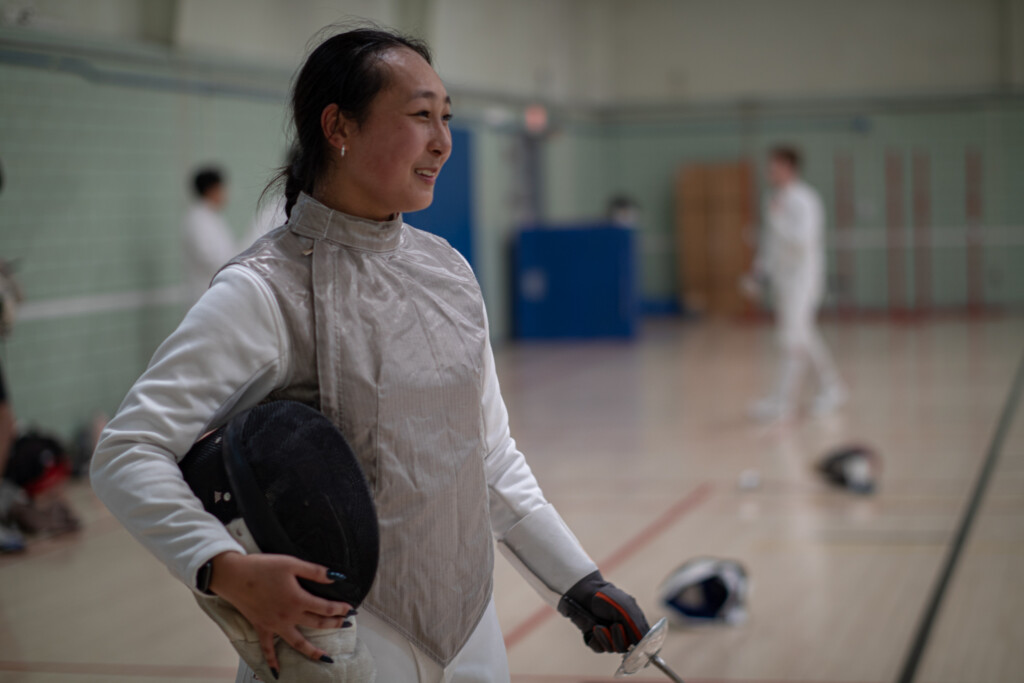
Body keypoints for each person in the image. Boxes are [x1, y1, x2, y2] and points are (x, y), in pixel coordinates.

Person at [91, 27, 650, 683]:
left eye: (446, 116)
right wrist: (222, 565)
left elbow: (489, 458)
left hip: (472, 632)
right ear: (338, 126)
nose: (441, 140)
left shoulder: (451, 273)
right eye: (419, 116)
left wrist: (577, 579)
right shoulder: (265, 289)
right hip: (338, 643)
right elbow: (128, 448)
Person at [745, 146, 847, 422]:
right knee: (804, 336)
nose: (770, 172)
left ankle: (783, 404)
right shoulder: (776, 198)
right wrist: (758, 272)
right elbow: (772, 243)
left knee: (791, 338)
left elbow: (802, 243)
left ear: (790, 168)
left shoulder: (805, 200)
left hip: (802, 280)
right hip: (783, 280)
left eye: (775, 166)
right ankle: (831, 388)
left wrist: (777, 220)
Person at [182, 166, 238, 305]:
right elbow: (209, 258)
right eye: (222, 188)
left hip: (218, 292)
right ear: (212, 189)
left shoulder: (211, 216)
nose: (225, 194)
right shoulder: (198, 219)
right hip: (207, 293)